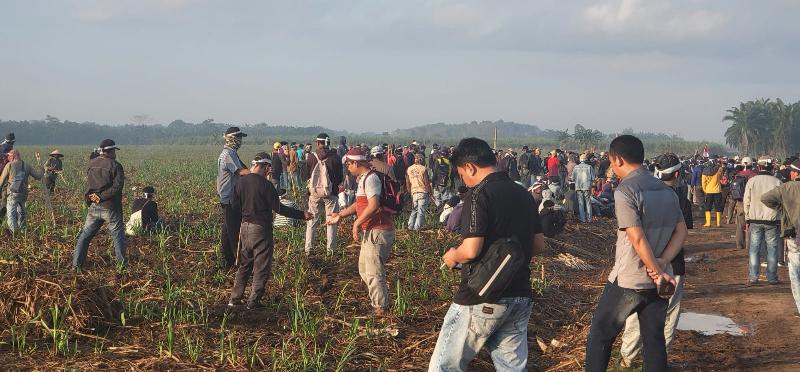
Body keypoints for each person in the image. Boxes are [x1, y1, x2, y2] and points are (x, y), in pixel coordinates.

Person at [429, 137, 544, 371]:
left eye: (462, 174)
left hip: (482, 295)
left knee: (444, 366)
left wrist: (453, 255)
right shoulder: (523, 193)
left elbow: (471, 249)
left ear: (470, 167)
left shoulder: (478, 194)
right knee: (511, 368)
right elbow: (539, 246)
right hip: (520, 294)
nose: (463, 179)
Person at [585, 135, 687, 371]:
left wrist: (655, 269)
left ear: (618, 160)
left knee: (600, 335)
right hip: (659, 282)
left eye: (611, 161)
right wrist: (662, 264)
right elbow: (681, 232)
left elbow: (637, 238)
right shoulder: (667, 192)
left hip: (629, 279)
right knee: (654, 340)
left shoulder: (626, 191)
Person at [619, 153, 693, 368]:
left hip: (639, 264)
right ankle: (659, 361)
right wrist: (663, 260)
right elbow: (683, 231)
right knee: (668, 314)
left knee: (635, 311)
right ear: (677, 174)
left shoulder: (637, 193)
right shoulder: (679, 200)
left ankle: (627, 358)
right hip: (671, 265)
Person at [229, 152, 312, 309]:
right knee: (261, 267)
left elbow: (234, 205)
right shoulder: (266, 185)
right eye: (269, 168)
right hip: (260, 229)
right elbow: (279, 209)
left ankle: (234, 299)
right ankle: (253, 302)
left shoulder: (240, 182)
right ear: (266, 166)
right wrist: (302, 215)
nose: (269, 171)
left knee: (245, 265)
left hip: (245, 228)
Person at [327, 148, 396, 316]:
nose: (348, 167)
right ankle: (380, 301)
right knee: (364, 269)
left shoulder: (371, 179)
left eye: (349, 164)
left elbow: (374, 205)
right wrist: (340, 215)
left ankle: (380, 308)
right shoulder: (363, 179)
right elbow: (359, 204)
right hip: (370, 230)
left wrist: (356, 223)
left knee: (373, 272)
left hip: (378, 231)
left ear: (356, 163)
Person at [72, 139, 126, 270]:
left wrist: (91, 198)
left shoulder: (92, 164)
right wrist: (101, 197)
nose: (115, 154)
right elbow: (117, 187)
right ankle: (122, 267)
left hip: (94, 206)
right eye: (114, 151)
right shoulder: (116, 165)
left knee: (85, 236)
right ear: (111, 151)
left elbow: (89, 184)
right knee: (118, 236)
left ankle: (76, 265)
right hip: (110, 207)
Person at [762, 159, 800, 314]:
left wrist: (781, 208)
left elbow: (765, 198)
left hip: (794, 234)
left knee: (795, 273)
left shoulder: (786, 188)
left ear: (795, 173)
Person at [744, 157, 782, 285]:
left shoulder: (752, 181)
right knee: (772, 249)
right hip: (772, 220)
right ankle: (772, 278)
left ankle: (753, 277)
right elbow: (781, 202)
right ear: (771, 168)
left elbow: (746, 200)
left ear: (759, 167)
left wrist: (747, 218)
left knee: (754, 249)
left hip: (755, 219)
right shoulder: (777, 182)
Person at [304, 133, 344, 256]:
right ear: (328, 143)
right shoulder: (335, 158)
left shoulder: (311, 157)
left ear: (317, 143)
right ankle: (330, 251)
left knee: (312, 221)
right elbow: (340, 177)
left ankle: (309, 250)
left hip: (314, 194)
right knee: (331, 222)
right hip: (330, 194)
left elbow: (306, 175)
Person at [216, 127, 249, 269]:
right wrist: (258, 172)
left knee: (227, 228)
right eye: (239, 138)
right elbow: (241, 171)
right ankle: (237, 261)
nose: (240, 141)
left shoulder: (232, 153)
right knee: (234, 230)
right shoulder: (228, 154)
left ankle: (227, 260)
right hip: (229, 197)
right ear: (232, 139)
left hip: (229, 196)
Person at [0, 149, 44, 232]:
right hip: (23, 194)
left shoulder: (9, 165)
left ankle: (14, 232)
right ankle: (23, 230)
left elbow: (1, 182)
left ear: (13, 156)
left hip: (12, 194)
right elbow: (38, 176)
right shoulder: (27, 165)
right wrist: (41, 169)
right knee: (22, 212)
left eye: (9, 156)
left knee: (11, 213)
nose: (8, 158)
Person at [406, 154, 431, 231]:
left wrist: (410, 192)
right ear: (421, 160)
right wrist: (429, 192)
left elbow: (407, 182)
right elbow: (426, 182)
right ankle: (417, 228)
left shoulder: (409, 169)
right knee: (421, 212)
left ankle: (410, 226)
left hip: (414, 192)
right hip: (422, 192)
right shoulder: (423, 169)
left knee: (414, 210)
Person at [701, 157, 724, 227]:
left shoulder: (704, 171)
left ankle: (708, 223)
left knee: (707, 207)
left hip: (708, 191)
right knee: (718, 207)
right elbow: (721, 178)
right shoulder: (720, 169)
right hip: (717, 191)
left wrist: (705, 190)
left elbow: (703, 183)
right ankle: (718, 223)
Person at [572, 153, 596, 223]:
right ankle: (589, 219)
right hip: (587, 186)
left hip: (578, 187)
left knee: (581, 203)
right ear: (586, 160)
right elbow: (593, 178)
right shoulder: (589, 167)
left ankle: (583, 219)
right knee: (588, 202)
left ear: (580, 160)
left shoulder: (576, 167)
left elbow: (573, 178)